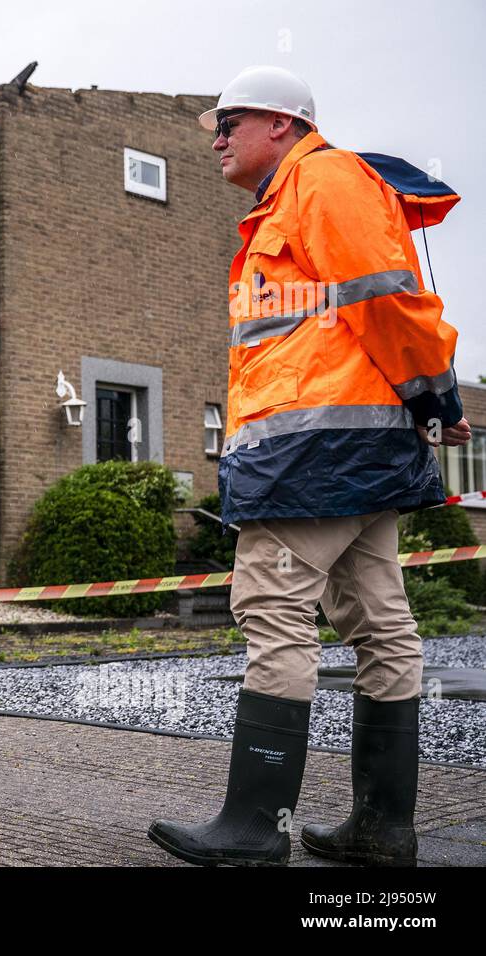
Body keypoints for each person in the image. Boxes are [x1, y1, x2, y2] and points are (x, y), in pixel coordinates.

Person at [148, 66, 470, 867]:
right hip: (348, 451)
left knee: (272, 608)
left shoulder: (321, 183)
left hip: (316, 456)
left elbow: (388, 298)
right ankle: (383, 828)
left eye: (232, 121)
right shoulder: (294, 200)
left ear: (284, 126)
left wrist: (436, 393)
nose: (217, 138)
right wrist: (427, 403)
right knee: (380, 624)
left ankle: (255, 827)